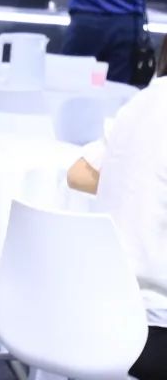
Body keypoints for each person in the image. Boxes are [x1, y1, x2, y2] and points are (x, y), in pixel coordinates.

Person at [67, 38, 167, 380]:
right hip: (155, 325)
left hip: (104, 310)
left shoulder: (143, 101)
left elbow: (78, 173)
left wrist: (141, 183)